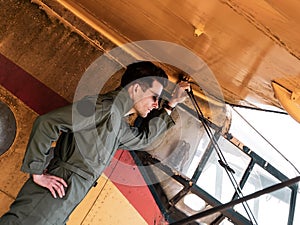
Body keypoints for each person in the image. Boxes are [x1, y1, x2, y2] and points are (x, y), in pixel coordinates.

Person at [0, 61, 190, 225]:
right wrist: (37, 171)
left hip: (63, 202)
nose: (156, 104)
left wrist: (170, 105)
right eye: (154, 97)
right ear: (136, 88)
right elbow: (47, 123)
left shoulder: (117, 122)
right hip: (48, 199)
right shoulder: (101, 107)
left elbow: (142, 139)